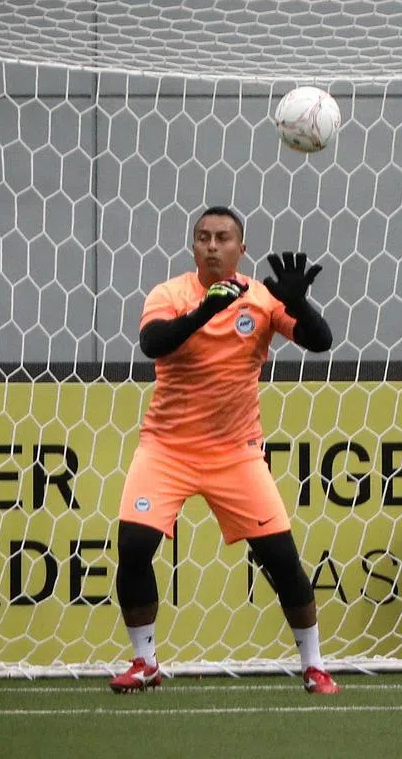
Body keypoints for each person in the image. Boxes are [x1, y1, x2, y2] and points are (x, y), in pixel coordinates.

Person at [110, 206, 339, 695]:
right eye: (203, 237)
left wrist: (300, 304)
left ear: (241, 248)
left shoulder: (262, 298)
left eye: (222, 238)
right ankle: (145, 660)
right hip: (167, 449)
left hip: (236, 452)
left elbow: (321, 341)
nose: (212, 246)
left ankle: (315, 665)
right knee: (133, 549)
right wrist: (205, 311)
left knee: (281, 561)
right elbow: (153, 343)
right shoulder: (169, 294)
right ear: (193, 246)